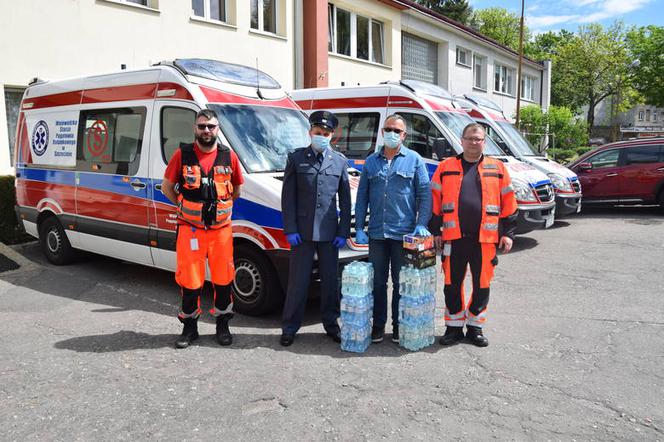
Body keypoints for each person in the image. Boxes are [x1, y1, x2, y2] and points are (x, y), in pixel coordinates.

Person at [161, 109, 244, 349]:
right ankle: (189, 329)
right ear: (195, 128)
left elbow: (237, 189)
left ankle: (223, 326)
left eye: (210, 126)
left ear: (218, 129)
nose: (206, 130)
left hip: (221, 231)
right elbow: (167, 187)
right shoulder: (182, 154)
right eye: (202, 126)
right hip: (191, 230)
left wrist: (220, 208)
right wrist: (185, 206)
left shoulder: (229, 157)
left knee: (223, 280)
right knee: (190, 280)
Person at [430, 123, 517, 347]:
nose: (473, 142)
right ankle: (454, 327)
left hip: (485, 240)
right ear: (462, 140)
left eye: (478, 139)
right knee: (451, 284)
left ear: (484, 142)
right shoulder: (446, 167)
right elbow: (434, 202)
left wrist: (507, 233)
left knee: (482, 285)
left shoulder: (497, 168)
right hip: (453, 237)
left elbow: (509, 202)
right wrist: (434, 231)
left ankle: (475, 327)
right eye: (469, 138)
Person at [354, 114, 432, 344]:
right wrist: (359, 226)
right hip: (377, 233)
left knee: (402, 283)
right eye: (388, 129)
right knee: (377, 282)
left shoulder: (415, 160)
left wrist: (421, 223)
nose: (392, 134)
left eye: (397, 131)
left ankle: (399, 326)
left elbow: (424, 194)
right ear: (382, 132)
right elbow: (362, 197)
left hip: (404, 234)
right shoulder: (371, 161)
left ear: (404, 135)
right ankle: (378, 325)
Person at [280, 111, 351, 347]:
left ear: (332, 135)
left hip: (330, 233)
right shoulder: (296, 158)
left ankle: (332, 325)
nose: (321, 136)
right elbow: (288, 198)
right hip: (302, 232)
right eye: (317, 132)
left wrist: (343, 232)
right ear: (310, 132)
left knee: (331, 282)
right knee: (297, 282)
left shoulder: (339, 161)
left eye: (326, 133)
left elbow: (345, 201)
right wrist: (290, 228)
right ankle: (290, 327)